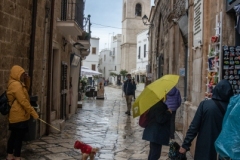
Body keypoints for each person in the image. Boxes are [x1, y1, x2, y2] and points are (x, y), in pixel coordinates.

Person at [179, 79, 233, 160]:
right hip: (225, 149)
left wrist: (185, 145)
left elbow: (194, 127)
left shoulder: (205, 105)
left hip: (205, 148)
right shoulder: (232, 108)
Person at [6, 65, 39, 160]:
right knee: (18, 138)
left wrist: (27, 79)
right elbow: (24, 101)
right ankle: (17, 157)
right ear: (16, 74)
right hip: (18, 115)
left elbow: (25, 91)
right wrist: (34, 113)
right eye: (21, 74)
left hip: (18, 115)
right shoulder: (16, 85)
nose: (22, 75)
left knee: (14, 136)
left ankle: (10, 155)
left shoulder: (16, 83)